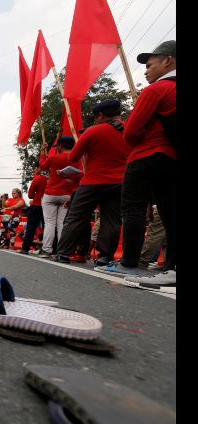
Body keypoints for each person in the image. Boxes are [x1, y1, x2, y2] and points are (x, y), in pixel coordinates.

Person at [105, 40, 176, 289]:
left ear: (168, 61)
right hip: (172, 158)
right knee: (170, 213)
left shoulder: (157, 89)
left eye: (149, 65)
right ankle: (172, 267)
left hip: (146, 156)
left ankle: (129, 262)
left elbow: (131, 132)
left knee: (133, 209)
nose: (146, 71)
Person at [55, 99, 130, 265]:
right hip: (120, 181)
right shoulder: (130, 129)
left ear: (101, 115)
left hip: (93, 181)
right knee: (111, 220)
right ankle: (105, 257)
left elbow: (72, 156)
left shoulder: (93, 131)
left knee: (76, 216)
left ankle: (64, 253)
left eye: (96, 117)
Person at [38, 136, 79, 257]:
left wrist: (42, 152)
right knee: (62, 224)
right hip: (67, 195)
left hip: (50, 194)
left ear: (60, 146)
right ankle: (62, 252)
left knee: (50, 223)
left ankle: (46, 250)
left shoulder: (53, 158)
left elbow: (42, 166)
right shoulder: (77, 159)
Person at [20, 168, 47, 254]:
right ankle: (50, 249)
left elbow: (30, 194)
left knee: (31, 228)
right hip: (49, 206)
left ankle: (25, 248)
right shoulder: (53, 178)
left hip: (36, 204)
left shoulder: (38, 178)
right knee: (49, 228)